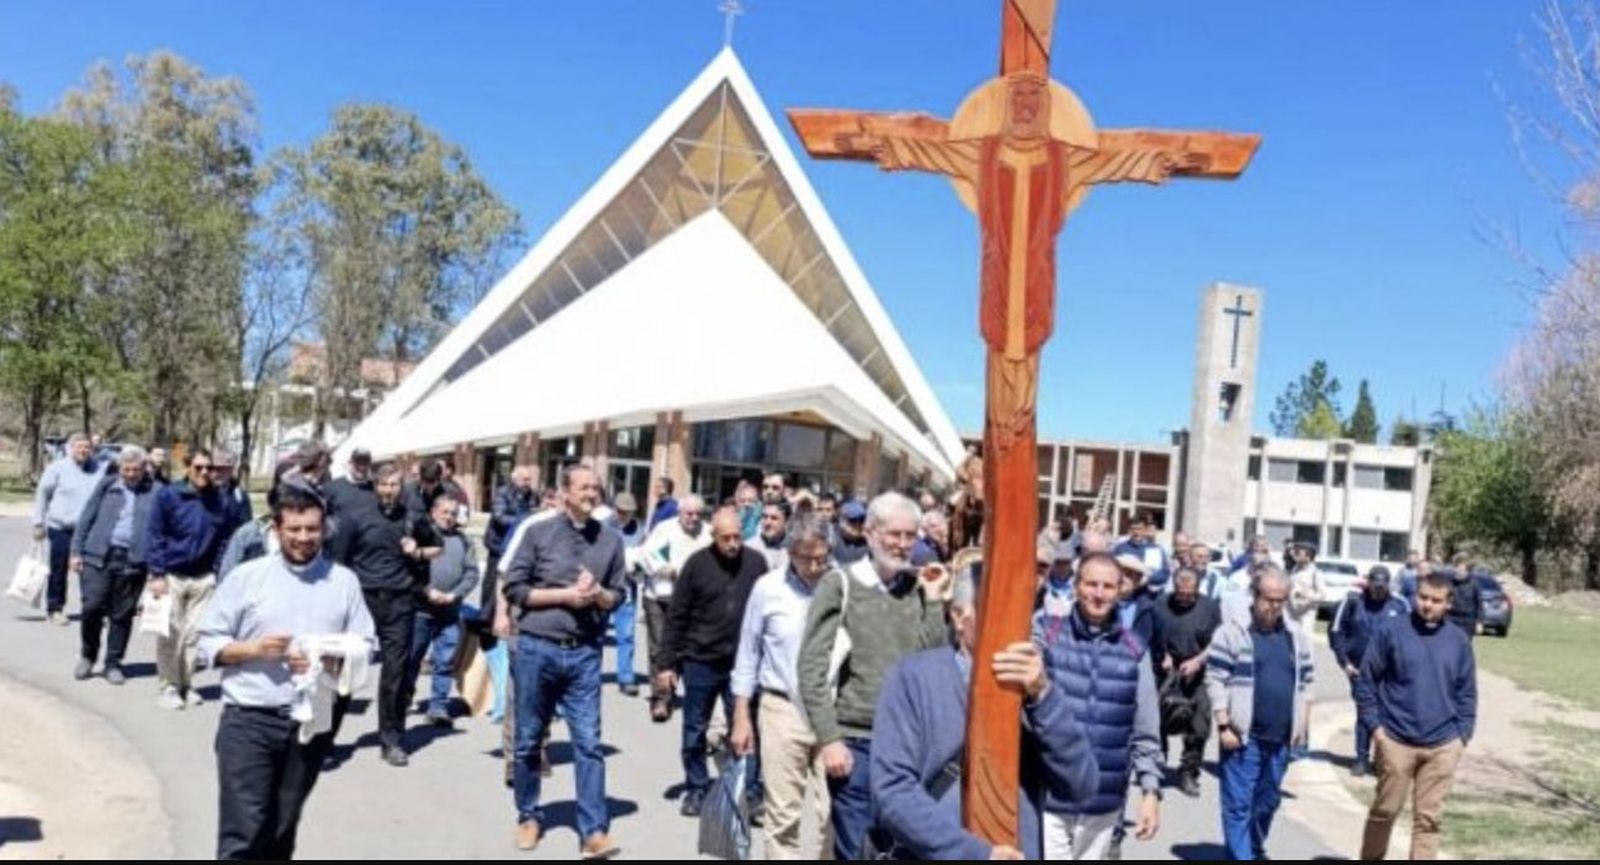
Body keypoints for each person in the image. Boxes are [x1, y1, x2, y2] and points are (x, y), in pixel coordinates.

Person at [195, 484, 377, 860]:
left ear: (323, 529)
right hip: (249, 720)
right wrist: (254, 650)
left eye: (311, 529)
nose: (304, 538)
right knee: (244, 831)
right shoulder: (247, 577)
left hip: (312, 722)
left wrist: (331, 656)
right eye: (294, 529)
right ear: (277, 529)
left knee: (282, 828)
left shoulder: (343, 582)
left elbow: (367, 645)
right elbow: (207, 644)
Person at [873, 569, 1098, 860]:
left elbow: (1082, 786)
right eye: (998, 612)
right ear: (958, 616)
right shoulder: (913, 678)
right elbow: (893, 792)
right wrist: (974, 853)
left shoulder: (1034, 684)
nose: (1014, 627)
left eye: (1021, 615)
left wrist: (1043, 698)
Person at [796, 492, 952, 860]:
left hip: (909, 747)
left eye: (909, 536)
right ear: (869, 533)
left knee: (902, 849)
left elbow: (933, 662)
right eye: (893, 534)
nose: (901, 544)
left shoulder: (917, 589)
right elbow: (811, 667)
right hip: (858, 744)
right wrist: (830, 738)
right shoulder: (841, 584)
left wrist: (933, 601)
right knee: (857, 849)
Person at [502, 464, 625, 857]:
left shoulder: (610, 540)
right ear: (565, 492)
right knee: (527, 741)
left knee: (588, 744)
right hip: (538, 648)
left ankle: (593, 830)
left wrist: (599, 595)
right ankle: (529, 815)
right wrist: (565, 597)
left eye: (596, 487)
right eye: (584, 487)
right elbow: (515, 589)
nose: (592, 493)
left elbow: (619, 595)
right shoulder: (538, 532)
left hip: (585, 652)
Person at [1034, 552, 1163, 859]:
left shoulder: (1134, 650)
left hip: (1103, 804)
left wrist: (1150, 791)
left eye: (1108, 586)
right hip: (1048, 798)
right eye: (1091, 584)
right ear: (1076, 586)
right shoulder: (1047, 633)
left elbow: (1146, 728)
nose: (1099, 594)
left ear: (1121, 591)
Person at [729, 516, 834, 860]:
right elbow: (748, 653)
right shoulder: (767, 588)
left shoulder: (840, 585)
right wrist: (742, 716)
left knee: (831, 813)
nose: (815, 566)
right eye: (807, 558)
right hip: (782, 709)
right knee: (783, 815)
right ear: (790, 552)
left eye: (822, 557)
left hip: (833, 714)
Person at [1357, 571, 1478, 860]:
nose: (1427, 605)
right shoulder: (1391, 631)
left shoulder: (1458, 640)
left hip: (1443, 743)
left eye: (1435, 600)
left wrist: (1462, 735)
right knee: (1384, 811)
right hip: (1395, 739)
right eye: (1422, 597)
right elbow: (1366, 680)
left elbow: (1467, 692)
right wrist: (1375, 728)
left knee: (1429, 820)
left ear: (1448, 603)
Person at [656, 506, 769, 817]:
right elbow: (676, 616)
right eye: (726, 538)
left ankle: (749, 790)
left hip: (741, 663)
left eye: (737, 537)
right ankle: (696, 787)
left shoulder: (756, 564)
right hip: (700, 660)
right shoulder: (696, 565)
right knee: (695, 729)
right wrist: (667, 664)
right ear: (713, 536)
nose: (733, 544)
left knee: (745, 729)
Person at [330, 463, 440, 766]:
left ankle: (391, 740)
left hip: (400, 602)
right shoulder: (356, 517)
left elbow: (437, 548)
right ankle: (325, 738)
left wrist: (417, 550)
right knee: (348, 668)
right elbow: (339, 564)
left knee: (395, 674)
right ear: (375, 486)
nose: (389, 490)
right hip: (363, 601)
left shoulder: (413, 516)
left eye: (394, 485)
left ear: (401, 485)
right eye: (384, 485)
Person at [1206, 566, 1315, 861]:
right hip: (1243, 736)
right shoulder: (1232, 633)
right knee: (1238, 803)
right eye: (1268, 599)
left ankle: (1252, 848)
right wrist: (1224, 723)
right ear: (1254, 595)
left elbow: (1305, 685)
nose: (1274, 606)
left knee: (1267, 801)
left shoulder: (1296, 637)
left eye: (1280, 600)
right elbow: (1215, 678)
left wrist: (1302, 729)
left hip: (1280, 739)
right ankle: (1242, 855)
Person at [147, 449, 247, 709]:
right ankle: (168, 686)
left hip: (204, 578)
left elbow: (227, 539)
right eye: (199, 467)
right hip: (171, 575)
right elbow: (155, 535)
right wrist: (157, 573)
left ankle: (186, 684)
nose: (205, 473)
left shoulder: (220, 500)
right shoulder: (169, 496)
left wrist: (216, 570)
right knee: (170, 633)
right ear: (188, 467)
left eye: (209, 468)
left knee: (195, 636)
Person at [69, 446, 157, 684]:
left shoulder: (156, 491)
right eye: (126, 469)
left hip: (133, 561)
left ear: (144, 469)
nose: (130, 474)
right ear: (120, 468)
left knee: (122, 614)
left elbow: (161, 531)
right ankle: (88, 656)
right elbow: (87, 517)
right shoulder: (108, 485)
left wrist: (157, 569)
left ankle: (113, 663)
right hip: (98, 556)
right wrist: (76, 551)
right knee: (92, 607)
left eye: (136, 470)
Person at [406, 490, 479, 728]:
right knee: (413, 658)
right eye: (444, 512)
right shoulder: (420, 537)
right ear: (433, 513)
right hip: (420, 610)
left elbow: (472, 573)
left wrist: (454, 594)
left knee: (445, 661)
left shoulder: (463, 540)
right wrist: (427, 590)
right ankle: (403, 699)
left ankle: (438, 706)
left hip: (449, 611)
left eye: (453, 513)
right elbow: (408, 570)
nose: (449, 517)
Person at [1329, 565, 1410, 777]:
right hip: (1359, 669)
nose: (1378, 591)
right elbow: (1336, 632)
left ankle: (1383, 759)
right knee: (1366, 712)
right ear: (1369, 583)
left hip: (1391, 671)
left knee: (1389, 714)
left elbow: (1412, 636)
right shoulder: (1353, 602)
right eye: (1375, 587)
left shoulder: (1400, 605)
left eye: (1382, 588)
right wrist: (1344, 662)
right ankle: (1361, 758)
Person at [641, 494, 713, 721]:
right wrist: (665, 567)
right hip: (661, 596)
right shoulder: (665, 529)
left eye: (697, 514)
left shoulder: (707, 533)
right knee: (660, 648)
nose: (693, 518)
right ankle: (660, 698)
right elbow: (648, 553)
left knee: (683, 650)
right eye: (688, 514)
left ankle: (675, 688)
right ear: (680, 513)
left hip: (692, 601)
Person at [1152, 566, 1223, 797]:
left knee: (1199, 725)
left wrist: (1198, 661)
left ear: (1197, 588)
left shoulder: (1210, 608)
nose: (1184, 598)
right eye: (1180, 593)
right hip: (1166, 670)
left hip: (1198, 670)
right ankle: (1155, 771)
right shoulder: (1161, 604)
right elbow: (1151, 635)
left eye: (1189, 594)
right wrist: (1163, 654)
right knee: (1157, 721)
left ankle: (1189, 772)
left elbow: (1217, 643)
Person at [32, 433, 105, 625]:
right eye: (79, 447)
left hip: (89, 530)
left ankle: (91, 609)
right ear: (70, 448)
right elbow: (42, 494)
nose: (83, 451)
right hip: (61, 527)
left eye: (87, 447)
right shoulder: (57, 468)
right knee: (59, 569)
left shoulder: (98, 468)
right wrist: (38, 523)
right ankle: (55, 608)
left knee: (90, 572)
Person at [611, 492, 647, 697]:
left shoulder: (639, 530)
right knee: (595, 634)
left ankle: (626, 677)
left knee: (626, 635)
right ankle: (587, 676)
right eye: (623, 512)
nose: (626, 516)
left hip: (627, 588)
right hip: (605, 587)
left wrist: (638, 567)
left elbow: (645, 553)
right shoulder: (603, 527)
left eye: (629, 513)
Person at [1111, 512, 1172, 595]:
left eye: (1139, 529)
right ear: (1129, 530)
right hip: (1124, 596)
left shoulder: (1153, 549)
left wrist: (1147, 578)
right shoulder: (1120, 549)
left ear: (1145, 530)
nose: (1136, 532)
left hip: (1145, 596)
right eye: (1133, 529)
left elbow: (1163, 574)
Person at [323, 448, 377, 520]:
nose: (362, 467)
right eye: (358, 463)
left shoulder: (376, 488)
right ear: (350, 463)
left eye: (365, 463)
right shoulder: (331, 488)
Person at [1285, 541, 1322, 635]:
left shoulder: (1315, 573)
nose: (1295, 555)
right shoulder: (1294, 570)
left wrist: (1307, 595)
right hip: (1290, 614)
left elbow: (1322, 595)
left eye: (1298, 553)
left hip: (1306, 616)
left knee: (1304, 644)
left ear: (1308, 555)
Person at [212, 449, 254, 526]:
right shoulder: (204, 493)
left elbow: (246, 525)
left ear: (230, 470)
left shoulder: (239, 496)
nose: (216, 473)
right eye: (214, 469)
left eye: (222, 469)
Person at [748, 499, 791, 574]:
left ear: (786, 522)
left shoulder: (793, 552)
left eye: (774, 518)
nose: (767, 523)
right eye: (764, 517)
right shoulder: (749, 548)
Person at [1445, 553, 1482, 639]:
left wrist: (1479, 622)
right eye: (1457, 567)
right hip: (1451, 618)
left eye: (1463, 568)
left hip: (1467, 621)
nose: (1459, 570)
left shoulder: (1474, 584)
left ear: (1468, 570)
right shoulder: (1449, 583)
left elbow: (1479, 605)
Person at [830, 500, 871, 566]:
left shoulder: (870, 543)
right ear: (841, 521)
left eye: (861, 520)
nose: (858, 525)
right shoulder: (830, 539)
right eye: (853, 520)